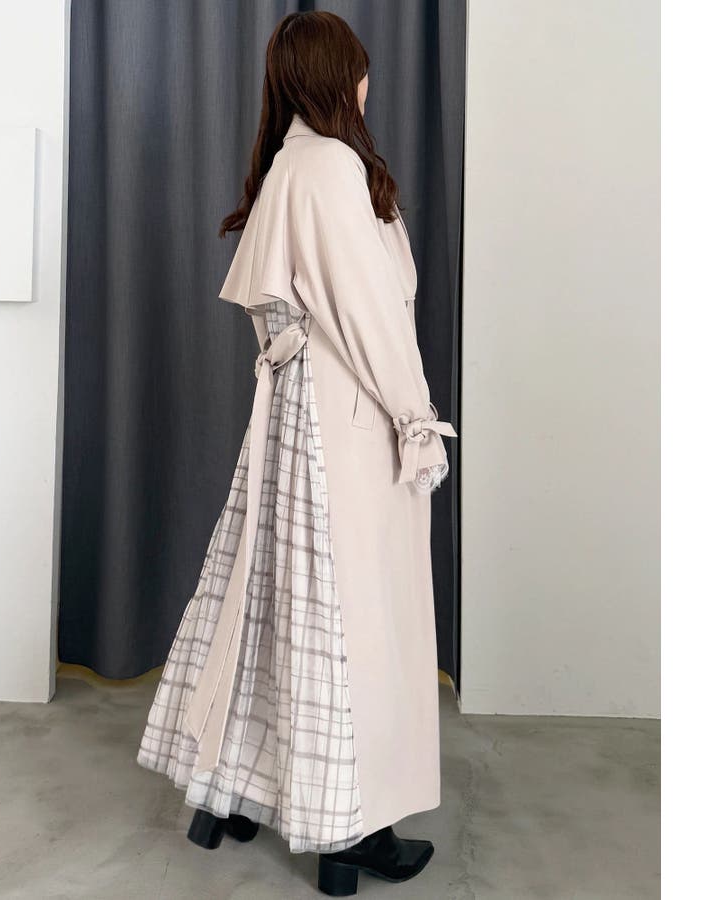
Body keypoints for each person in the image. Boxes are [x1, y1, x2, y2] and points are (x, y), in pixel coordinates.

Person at [137, 10, 456, 896]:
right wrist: (417, 419)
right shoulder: (332, 169)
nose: (368, 83)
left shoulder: (287, 165)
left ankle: (229, 791)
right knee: (351, 622)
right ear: (337, 78)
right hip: (341, 420)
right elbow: (371, 315)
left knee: (271, 597)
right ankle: (350, 835)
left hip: (289, 414)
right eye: (359, 69)